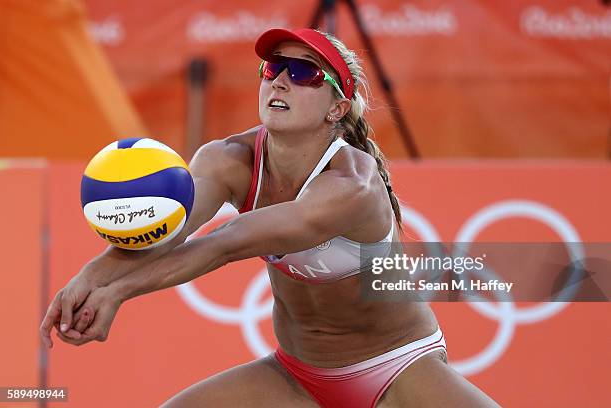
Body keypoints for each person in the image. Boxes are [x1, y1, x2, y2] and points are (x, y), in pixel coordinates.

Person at [40, 28, 500, 407]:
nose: (280, 81)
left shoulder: (351, 185)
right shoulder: (228, 159)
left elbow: (229, 241)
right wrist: (86, 279)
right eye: (273, 68)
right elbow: (162, 233)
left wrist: (116, 292)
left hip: (396, 369)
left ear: (337, 109)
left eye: (303, 73)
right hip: (296, 376)